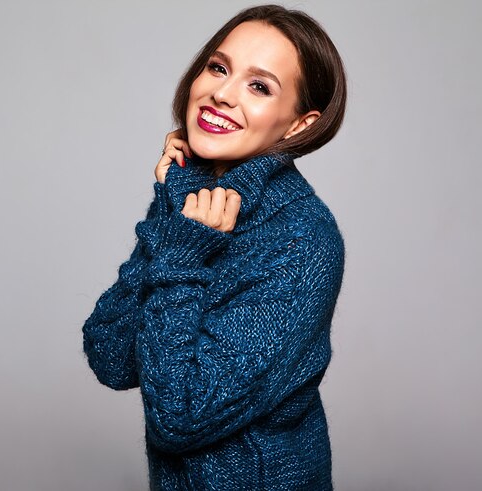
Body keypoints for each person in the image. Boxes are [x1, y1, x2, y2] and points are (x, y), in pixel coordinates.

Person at [82, 4, 347, 490]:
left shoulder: (303, 239)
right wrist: (170, 208)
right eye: (218, 67)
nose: (221, 94)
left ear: (298, 126)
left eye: (259, 86)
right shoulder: (192, 208)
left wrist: (183, 254)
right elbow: (110, 357)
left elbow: (179, 417)